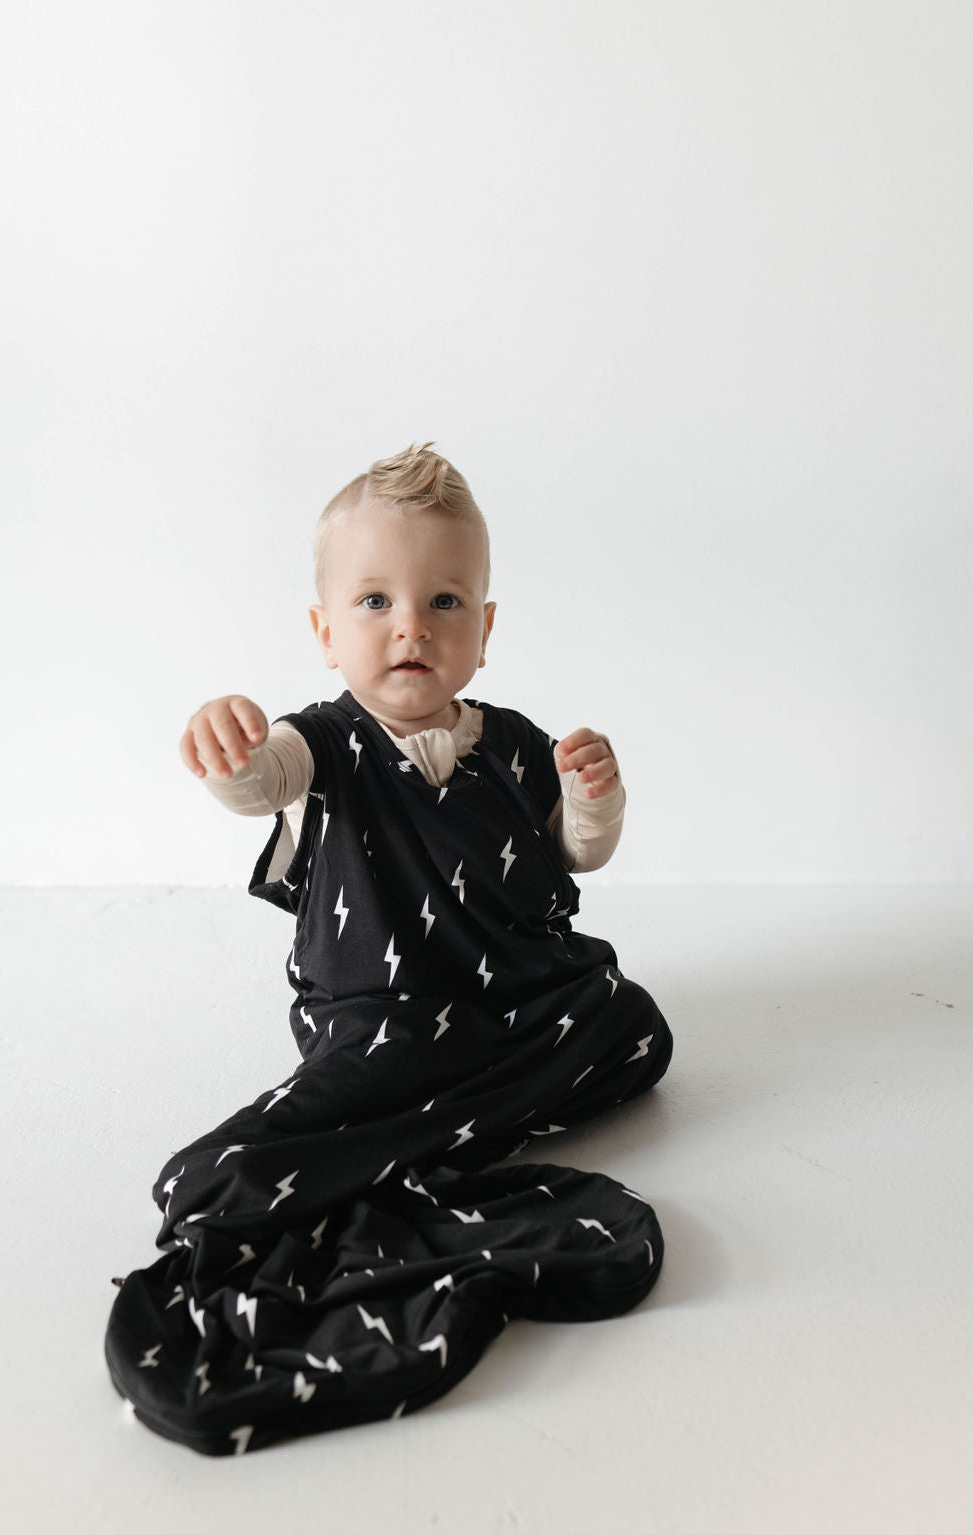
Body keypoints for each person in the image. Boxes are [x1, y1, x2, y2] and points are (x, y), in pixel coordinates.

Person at [104, 442, 672, 1456]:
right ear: (325, 631)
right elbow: (262, 782)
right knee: (233, 1166)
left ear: (484, 629)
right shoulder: (321, 742)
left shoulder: (512, 743)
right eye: (374, 601)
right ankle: (408, 1131)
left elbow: (572, 853)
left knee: (633, 1025)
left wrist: (596, 798)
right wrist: (230, 748)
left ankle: (442, 1115)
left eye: (443, 600)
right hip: (385, 1022)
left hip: (519, 998)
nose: (410, 623)